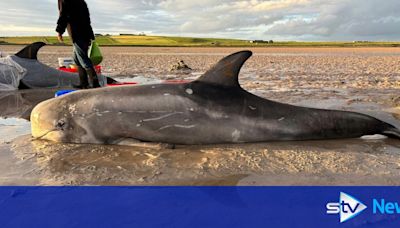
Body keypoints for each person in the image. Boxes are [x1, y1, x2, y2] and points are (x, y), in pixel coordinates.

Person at [56, 0, 100, 88]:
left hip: (77, 34)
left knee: (83, 59)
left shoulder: (65, 1)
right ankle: (83, 83)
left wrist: (59, 31)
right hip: (85, 33)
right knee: (77, 59)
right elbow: (88, 20)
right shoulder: (82, 2)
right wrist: (91, 35)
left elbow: (63, 16)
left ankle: (95, 84)